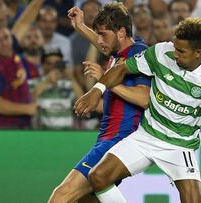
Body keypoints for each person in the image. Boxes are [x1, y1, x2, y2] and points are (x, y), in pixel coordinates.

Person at [74, 17, 201, 203]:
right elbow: (121, 70)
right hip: (147, 136)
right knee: (97, 177)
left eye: (181, 51)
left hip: (180, 146)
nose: (174, 53)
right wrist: (97, 90)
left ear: (198, 53)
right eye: (175, 46)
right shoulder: (161, 52)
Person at [48, 2, 151, 202]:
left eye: (103, 34)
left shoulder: (139, 54)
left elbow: (144, 98)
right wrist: (80, 27)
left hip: (118, 141)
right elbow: (106, 45)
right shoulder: (120, 52)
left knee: (61, 195)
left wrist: (105, 81)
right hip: (108, 139)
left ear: (121, 32)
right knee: (87, 199)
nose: (100, 40)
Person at [0, 25, 37, 129]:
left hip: (23, 126)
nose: (4, 43)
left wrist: (47, 81)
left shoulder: (15, 57)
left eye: (6, 38)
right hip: (2, 129)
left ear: (12, 38)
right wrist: (27, 109)